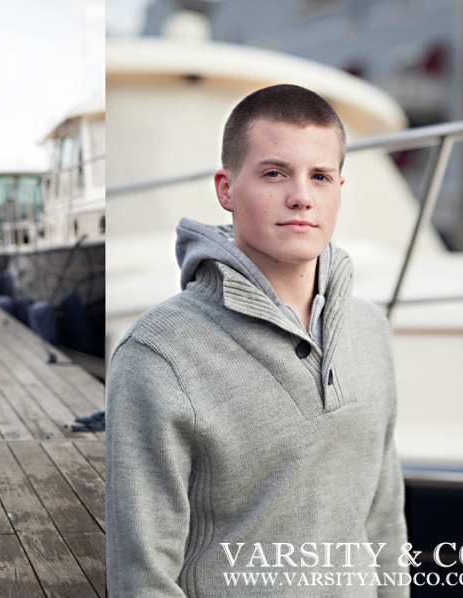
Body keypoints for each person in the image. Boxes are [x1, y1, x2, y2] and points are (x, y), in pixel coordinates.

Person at [106, 84, 409, 596]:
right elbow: (141, 577)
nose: (301, 196)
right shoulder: (159, 354)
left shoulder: (369, 330)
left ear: (339, 189)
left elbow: (383, 520)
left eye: (320, 176)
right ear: (226, 189)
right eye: (274, 173)